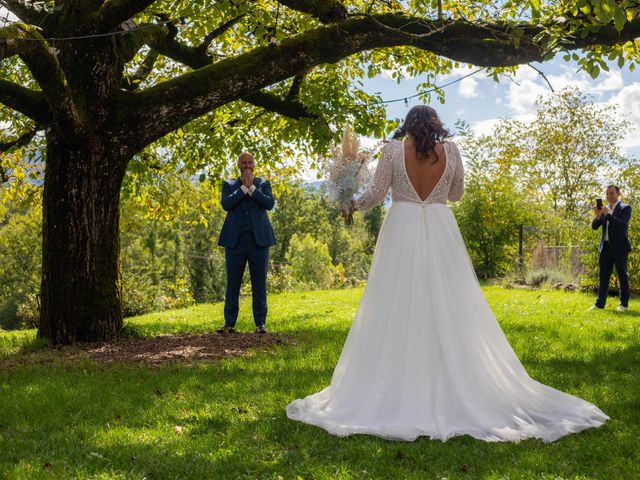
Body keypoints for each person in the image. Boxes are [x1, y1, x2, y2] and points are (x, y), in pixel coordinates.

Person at [286, 106, 609, 442]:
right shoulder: (451, 151)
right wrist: (435, 191)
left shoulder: (393, 150)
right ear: (436, 125)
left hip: (401, 229)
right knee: (452, 304)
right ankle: (454, 375)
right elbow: (457, 193)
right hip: (441, 228)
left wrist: (349, 202)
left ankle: (397, 382)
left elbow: (376, 194)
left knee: (396, 304)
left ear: (407, 126)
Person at [217, 152, 276, 334]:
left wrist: (252, 189)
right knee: (232, 284)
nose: (247, 165)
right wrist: (243, 189)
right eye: (244, 163)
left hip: (259, 242)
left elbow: (269, 204)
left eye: (250, 162)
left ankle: (260, 324)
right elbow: (226, 204)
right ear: (238, 165)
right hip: (235, 242)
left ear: (254, 164)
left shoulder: (264, 183)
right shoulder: (229, 184)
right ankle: (229, 323)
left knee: (259, 284)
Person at [589, 185, 632, 312]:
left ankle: (623, 305)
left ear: (618, 194)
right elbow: (594, 226)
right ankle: (599, 305)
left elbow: (621, 225)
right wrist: (598, 216)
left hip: (620, 248)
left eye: (612, 193)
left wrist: (608, 215)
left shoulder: (625, 208)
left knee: (622, 276)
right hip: (605, 247)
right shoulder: (604, 209)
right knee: (603, 277)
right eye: (607, 193)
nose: (609, 196)